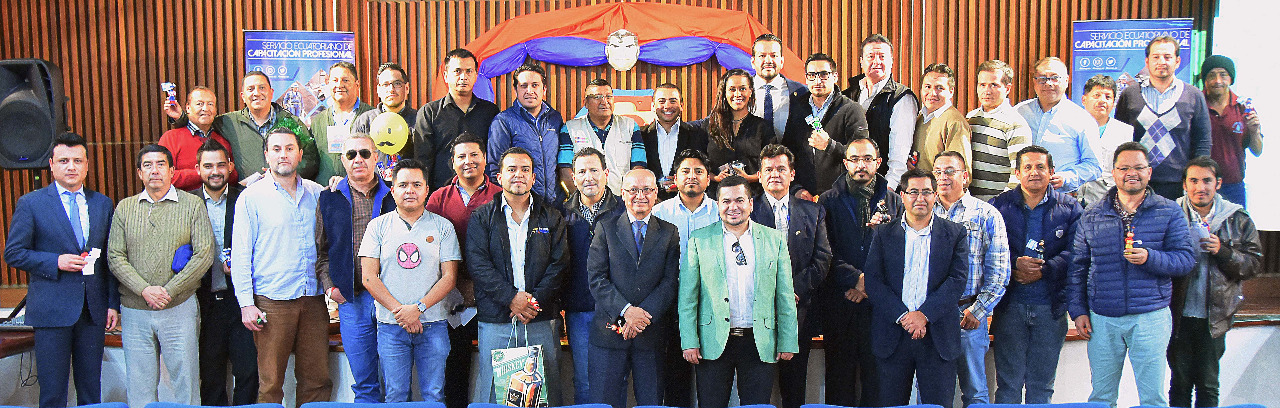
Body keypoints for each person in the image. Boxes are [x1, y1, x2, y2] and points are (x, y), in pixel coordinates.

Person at [1067, 142, 1196, 408]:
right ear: (1113, 173)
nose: (1131, 173)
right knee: (1101, 399)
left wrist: (1150, 258)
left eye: (1138, 167)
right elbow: (1077, 267)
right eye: (1124, 168)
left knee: (1153, 400)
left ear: (1149, 172)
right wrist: (1078, 311)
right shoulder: (1092, 214)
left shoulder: (1169, 211)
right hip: (1102, 318)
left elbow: (1185, 260)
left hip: (1151, 316)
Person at [4, 133, 119, 408]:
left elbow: (110, 260)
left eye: (77, 161)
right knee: (53, 394)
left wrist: (112, 304)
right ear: (51, 165)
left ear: (87, 165)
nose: (71, 167)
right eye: (64, 161)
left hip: (92, 311)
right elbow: (13, 253)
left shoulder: (102, 203)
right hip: (51, 310)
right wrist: (55, 262)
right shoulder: (31, 203)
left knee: (91, 392)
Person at [107, 144, 215, 407]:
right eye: (147, 165)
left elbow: (204, 254)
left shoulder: (193, 205)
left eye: (160, 164)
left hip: (179, 306)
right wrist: (145, 290)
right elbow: (115, 256)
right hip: (135, 309)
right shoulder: (125, 208)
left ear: (172, 171)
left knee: (186, 384)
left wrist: (169, 290)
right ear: (139, 173)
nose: (154, 170)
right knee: (140, 387)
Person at [678, 175, 799, 408]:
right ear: (718, 205)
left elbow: (784, 296)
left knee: (757, 406)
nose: (733, 207)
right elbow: (687, 298)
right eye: (726, 201)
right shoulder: (700, 240)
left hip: (759, 340)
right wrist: (689, 341)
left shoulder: (774, 240)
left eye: (739, 200)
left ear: (750, 204)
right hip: (712, 341)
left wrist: (787, 341)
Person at [231, 127, 332, 404]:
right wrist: (246, 304)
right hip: (271, 301)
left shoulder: (317, 193)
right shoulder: (251, 197)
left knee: (317, 380)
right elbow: (241, 254)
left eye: (289, 148)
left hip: (312, 299)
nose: (283, 154)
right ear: (266, 155)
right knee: (271, 383)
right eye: (276, 149)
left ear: (300, 154)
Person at [467, 147, 569, 405]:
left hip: (540, 318)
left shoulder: (552, 217)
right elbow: (478, 265)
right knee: (495, 395)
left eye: (525, 170)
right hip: (497, 319)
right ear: (499, 177)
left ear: (533, 177)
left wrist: (531, 303)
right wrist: (511, 299)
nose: (518, 175)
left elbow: (559, 265)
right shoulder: (482, 217)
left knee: (544, 392)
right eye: (511, 169)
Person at [862, 169, 968, 407]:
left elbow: (957, 280)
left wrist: (924, 315)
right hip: (893, 335)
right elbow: (874, 281)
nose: (920, 198)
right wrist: (903, 316)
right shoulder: (883, 234)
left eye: (927, 192)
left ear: (935, 195)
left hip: (937, 337)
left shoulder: (955, 233)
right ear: (902, 195)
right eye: (913, 192)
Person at [359, 159, 460, 403]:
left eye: (416, 185)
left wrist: (418, 309)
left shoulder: (443, 227)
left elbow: (449, 277)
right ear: (392, 190)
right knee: (395, 395)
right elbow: (369, 277)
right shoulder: (377, 227)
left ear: (427, 190)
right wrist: (401, 312)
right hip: (391, 325)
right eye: (403, 185)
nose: (410, 190)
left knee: (434, 395)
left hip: (433, 323)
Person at [988, 145, 1083, 404]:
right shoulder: (999, 206)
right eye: (1027, 167)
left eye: (1041, 167)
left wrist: (1045, 270)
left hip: (1050, 309)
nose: (1034, 172)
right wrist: (1014, 264)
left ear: (1051, 172)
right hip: (1010, 308)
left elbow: (1078, 252)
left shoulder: (1070, 208)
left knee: (1042, 387)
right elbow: (987, 249)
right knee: (1008, 386)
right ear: (1017, 173)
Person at [1169, 156, 1263, 407]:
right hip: (1176, 315)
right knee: (1179, 384)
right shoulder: (1170, 214)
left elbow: (1253, 265)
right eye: (1194, 181)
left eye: (1207, 181)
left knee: (1208, 386)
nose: (1200, 187)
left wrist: (1223, 251)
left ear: (1218, 183)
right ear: (1184, 185)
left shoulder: (1238, 218)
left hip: (1215, 317)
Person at [816, 138, 902, 406]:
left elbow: (901, 254)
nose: (861, 165)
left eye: (867, 159)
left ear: (878, 163)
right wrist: (856, 279)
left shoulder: (894, 201)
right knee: (838, 383)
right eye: (854, 159)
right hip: (840, 303)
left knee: (876, 384)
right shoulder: (828, 200)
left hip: (879, 307)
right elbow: (825, 251)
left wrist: (869, 286)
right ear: (845, 163)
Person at [586, 169, 681, 408]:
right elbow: (597, 279)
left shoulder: (669, 232)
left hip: (651, 336)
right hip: (609, 335)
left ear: (656, 193)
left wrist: (641, 318)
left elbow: (669, 282)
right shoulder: (605, 228)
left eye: (647, 189)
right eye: (634, 190)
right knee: (604, 404)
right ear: (622, 193)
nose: (641, 195)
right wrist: (626, 312)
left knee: (651, 404)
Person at [751, 144, 832, 408]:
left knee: (794, 389)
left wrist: (790, 291)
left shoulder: (813, 211)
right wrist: (772, 293)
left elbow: (822, 259)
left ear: (792, 174)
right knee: (757, 391)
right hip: (757, 312)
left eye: (781, 169)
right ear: (759, 175)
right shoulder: (747, 210)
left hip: (800, 311)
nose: (775, 174)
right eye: (768, 169)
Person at [316, 134, 395, 403]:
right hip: (351, 300)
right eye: (351, 154)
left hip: (391, 299)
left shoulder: (394, 194)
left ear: (376, 157)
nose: (358, 159)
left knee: (395, 383)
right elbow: (321, 250)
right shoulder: (328, 198)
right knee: (364, 384)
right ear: (343, 160)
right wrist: (331, 288)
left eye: (364, 153)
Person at [425, 133, 502, 408]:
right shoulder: (438, 198)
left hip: (494, 296)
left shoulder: (500, 196)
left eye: (474, 155)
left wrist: (481, 287)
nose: (468, 161)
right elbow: (429, 249)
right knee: (455, 368)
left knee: (497, 366)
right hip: (452, 298)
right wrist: (455, 286)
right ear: (452, 162)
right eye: (461, 156)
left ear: (485, 159)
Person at [930, 151, 1010, 406]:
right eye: (937, 172)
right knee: (930, 392)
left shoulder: (986, 214)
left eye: (949, 171)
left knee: (975, 392)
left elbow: (999, 271)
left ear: (965, 177)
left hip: (968, 314)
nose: (943, 177)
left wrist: (979, 310)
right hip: (930, 315)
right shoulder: (923, 212)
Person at [190, 140, 258, 405]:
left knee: (248, 372)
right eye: (208, 166)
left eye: (221, 165)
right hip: (203, 301)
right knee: (211, 377)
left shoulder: (246, 198)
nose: (215, 171)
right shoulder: (188, 202)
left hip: (241, 300)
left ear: (230, 166)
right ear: (197, 168)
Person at [650, 148, 719, 406]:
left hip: (711, 304)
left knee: (712, 382)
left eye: (699, 171)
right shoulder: (660, 213)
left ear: (708, 179)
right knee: (675, 380)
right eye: (685, 171)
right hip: (670, 305)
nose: (692, 176)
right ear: (675, 178)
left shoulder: (720, 211)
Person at [164, 71, 321, 181]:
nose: (256, 93)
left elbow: (310, 159)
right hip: (244, 196)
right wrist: (181, 117)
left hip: (285, 193)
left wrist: (283, 174)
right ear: (243, 96)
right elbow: (203, 123)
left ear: (271, 92)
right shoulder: (228, 122)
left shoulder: (291, 122)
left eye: (262, 88)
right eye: (250, 89)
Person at [561, 147, 625, 403]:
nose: (588, 177)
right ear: (573, 177)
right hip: (578, 310)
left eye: (594, 170)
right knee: (585, 380)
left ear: (606, 173)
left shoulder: (623, 209)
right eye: (582, 172)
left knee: (616, 379)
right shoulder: (561, 213)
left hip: (616, 309)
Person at [1115, 36, 1213, 200]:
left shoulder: (1193, 95)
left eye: (1167, 57)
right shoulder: (1130, 95)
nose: (1161, 62)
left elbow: (1203, 142)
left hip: (1178, 185)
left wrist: (1196, 181)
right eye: (1156, 57)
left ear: (1177, 61)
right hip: (1137, 184)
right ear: (1147, 61)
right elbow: (1119, 140)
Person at [780, 53, 869, 198]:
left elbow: (862, 157)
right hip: (805, 197)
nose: (817, 80)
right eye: (812, 75)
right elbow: (787, 152)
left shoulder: (851, 109)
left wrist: (829, 145)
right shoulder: (798, 108)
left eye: (823, 74)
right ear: (806, 78)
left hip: (841, 196)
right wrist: (796, 188)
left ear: (835, 76)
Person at [416, 49, 501, 192]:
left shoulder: (490, 111)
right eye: (457, 71)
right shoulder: (429, 113)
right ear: (446, 75)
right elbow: (423, 162)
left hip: (483, 195)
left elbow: (495, 157)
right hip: (442, 195)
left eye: (469, 71)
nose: (463, 77)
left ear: (475, 75)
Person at [842, 33, 919, 189]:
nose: (877, 61)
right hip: (849, 187)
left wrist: (885, 193)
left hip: (882, 187)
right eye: (870, 56)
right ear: (861, 61)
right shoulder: (848, 95)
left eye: (882, 57)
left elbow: (899, 159)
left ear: (892, 61)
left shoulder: (902, 98)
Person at [1015, 57, 1102, 194]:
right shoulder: (1019, 112)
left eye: (1055, 78)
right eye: (1042, 78)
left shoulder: (1082, 119)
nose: (1048, 83)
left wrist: (1066, 178)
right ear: (1034, 82)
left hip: (1060, 197)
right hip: (1020, 196)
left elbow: (1094, 165)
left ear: (1066, 80)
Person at [487, 64, 565, 202]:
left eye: (535, 85)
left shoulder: (555, 119)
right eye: (524, 86)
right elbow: (495, 168)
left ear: (544, 89)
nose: (530, 91)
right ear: (515, 90)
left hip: (555, 204)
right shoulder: (503, 121)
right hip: (522, 204)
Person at [557, 78, 647, 193]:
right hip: (585, 199)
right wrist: (582, 200)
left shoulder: (630, 126)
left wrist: (629, 196)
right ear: (586, 103)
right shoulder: (570, 128)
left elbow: (638, 168)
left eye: (608, 96)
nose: (604, 101)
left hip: (622, 199)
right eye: (597, 97)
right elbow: (566, 171)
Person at [1201, 54, 1263, 207]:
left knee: (1236, 224)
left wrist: (1254, 131)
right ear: (1205, 80)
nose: (1217, 81)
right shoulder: (1195, 104)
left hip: (1234, 187)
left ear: (1231, 79)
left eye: (1223, 75)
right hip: (1200, 186)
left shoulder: (1243, 108)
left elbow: (1257, 151)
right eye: (1211, 75)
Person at [696, 68, 775, 187]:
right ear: (724, 92)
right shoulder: (709, 125)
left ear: (750, 92)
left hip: (752, 194)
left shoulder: (763, 127)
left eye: (742, 89)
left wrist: (750, 178)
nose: (737, 94)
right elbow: (697, 162)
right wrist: (715, 177)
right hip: (716, 194)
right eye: (732, 89)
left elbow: (773, 164)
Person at [966, 59, 1031, 200]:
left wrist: (1001, 205)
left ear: (1007, 88)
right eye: (982, 85)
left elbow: (1020, 173)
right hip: (970, 204)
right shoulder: (970, 118)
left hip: (999, 206)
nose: (986, 91)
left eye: (994, 85)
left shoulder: (1016, 124)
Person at [158, 86, 239, 190]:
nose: (205, 108)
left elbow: (233, 177)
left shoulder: (222, 140)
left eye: (210, 104)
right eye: (199, 104)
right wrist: (204, 173)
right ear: (188, 108)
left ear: (215, 110)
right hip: (182, 199)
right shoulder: (171, 138)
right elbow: (163, 176)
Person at [640, 83, 709, 201]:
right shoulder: (641, 135)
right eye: (661, 101)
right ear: (653, 106)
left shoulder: (697, 134)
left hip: (686, 202)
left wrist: (684, 185)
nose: (667, 106)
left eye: (673, 101)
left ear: (681, 105)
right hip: (649, 202)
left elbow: (704, 170)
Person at [312, 61, 375, 184]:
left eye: (345, 80)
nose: (339, 85)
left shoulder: (372, 117)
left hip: (363, 191)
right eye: (335, 80)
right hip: (327, 191)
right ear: (328, 84)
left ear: (357, 84)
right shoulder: (318, 121)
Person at [1078, 74, 1136, 206]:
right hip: (1073, 200)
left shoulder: (1125, 131)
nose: (1102, 100)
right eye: (1096, 95)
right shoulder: (1071, 126)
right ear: (1084, 100)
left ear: (1114, 102)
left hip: (1107, 202)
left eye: (1108, 97)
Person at [352, 62, 419, 164]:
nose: (391, 90)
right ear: (378, 90)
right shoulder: (365, 121)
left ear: (407, 88)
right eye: (385, 85)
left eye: (397, 84)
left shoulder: (419, 120)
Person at [913, 63, 972, 173]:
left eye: (939, 88)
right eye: (928, 87)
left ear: (951, 91)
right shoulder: (919, 117)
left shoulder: (955, 123)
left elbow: (959, 172)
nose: (932, 93)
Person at [750, 33, 807, 137]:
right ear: (753, 62)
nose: (768, 61)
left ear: (781, 61)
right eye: (762, 56)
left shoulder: (801, 92)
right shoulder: (741, 92)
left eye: (774, 55)